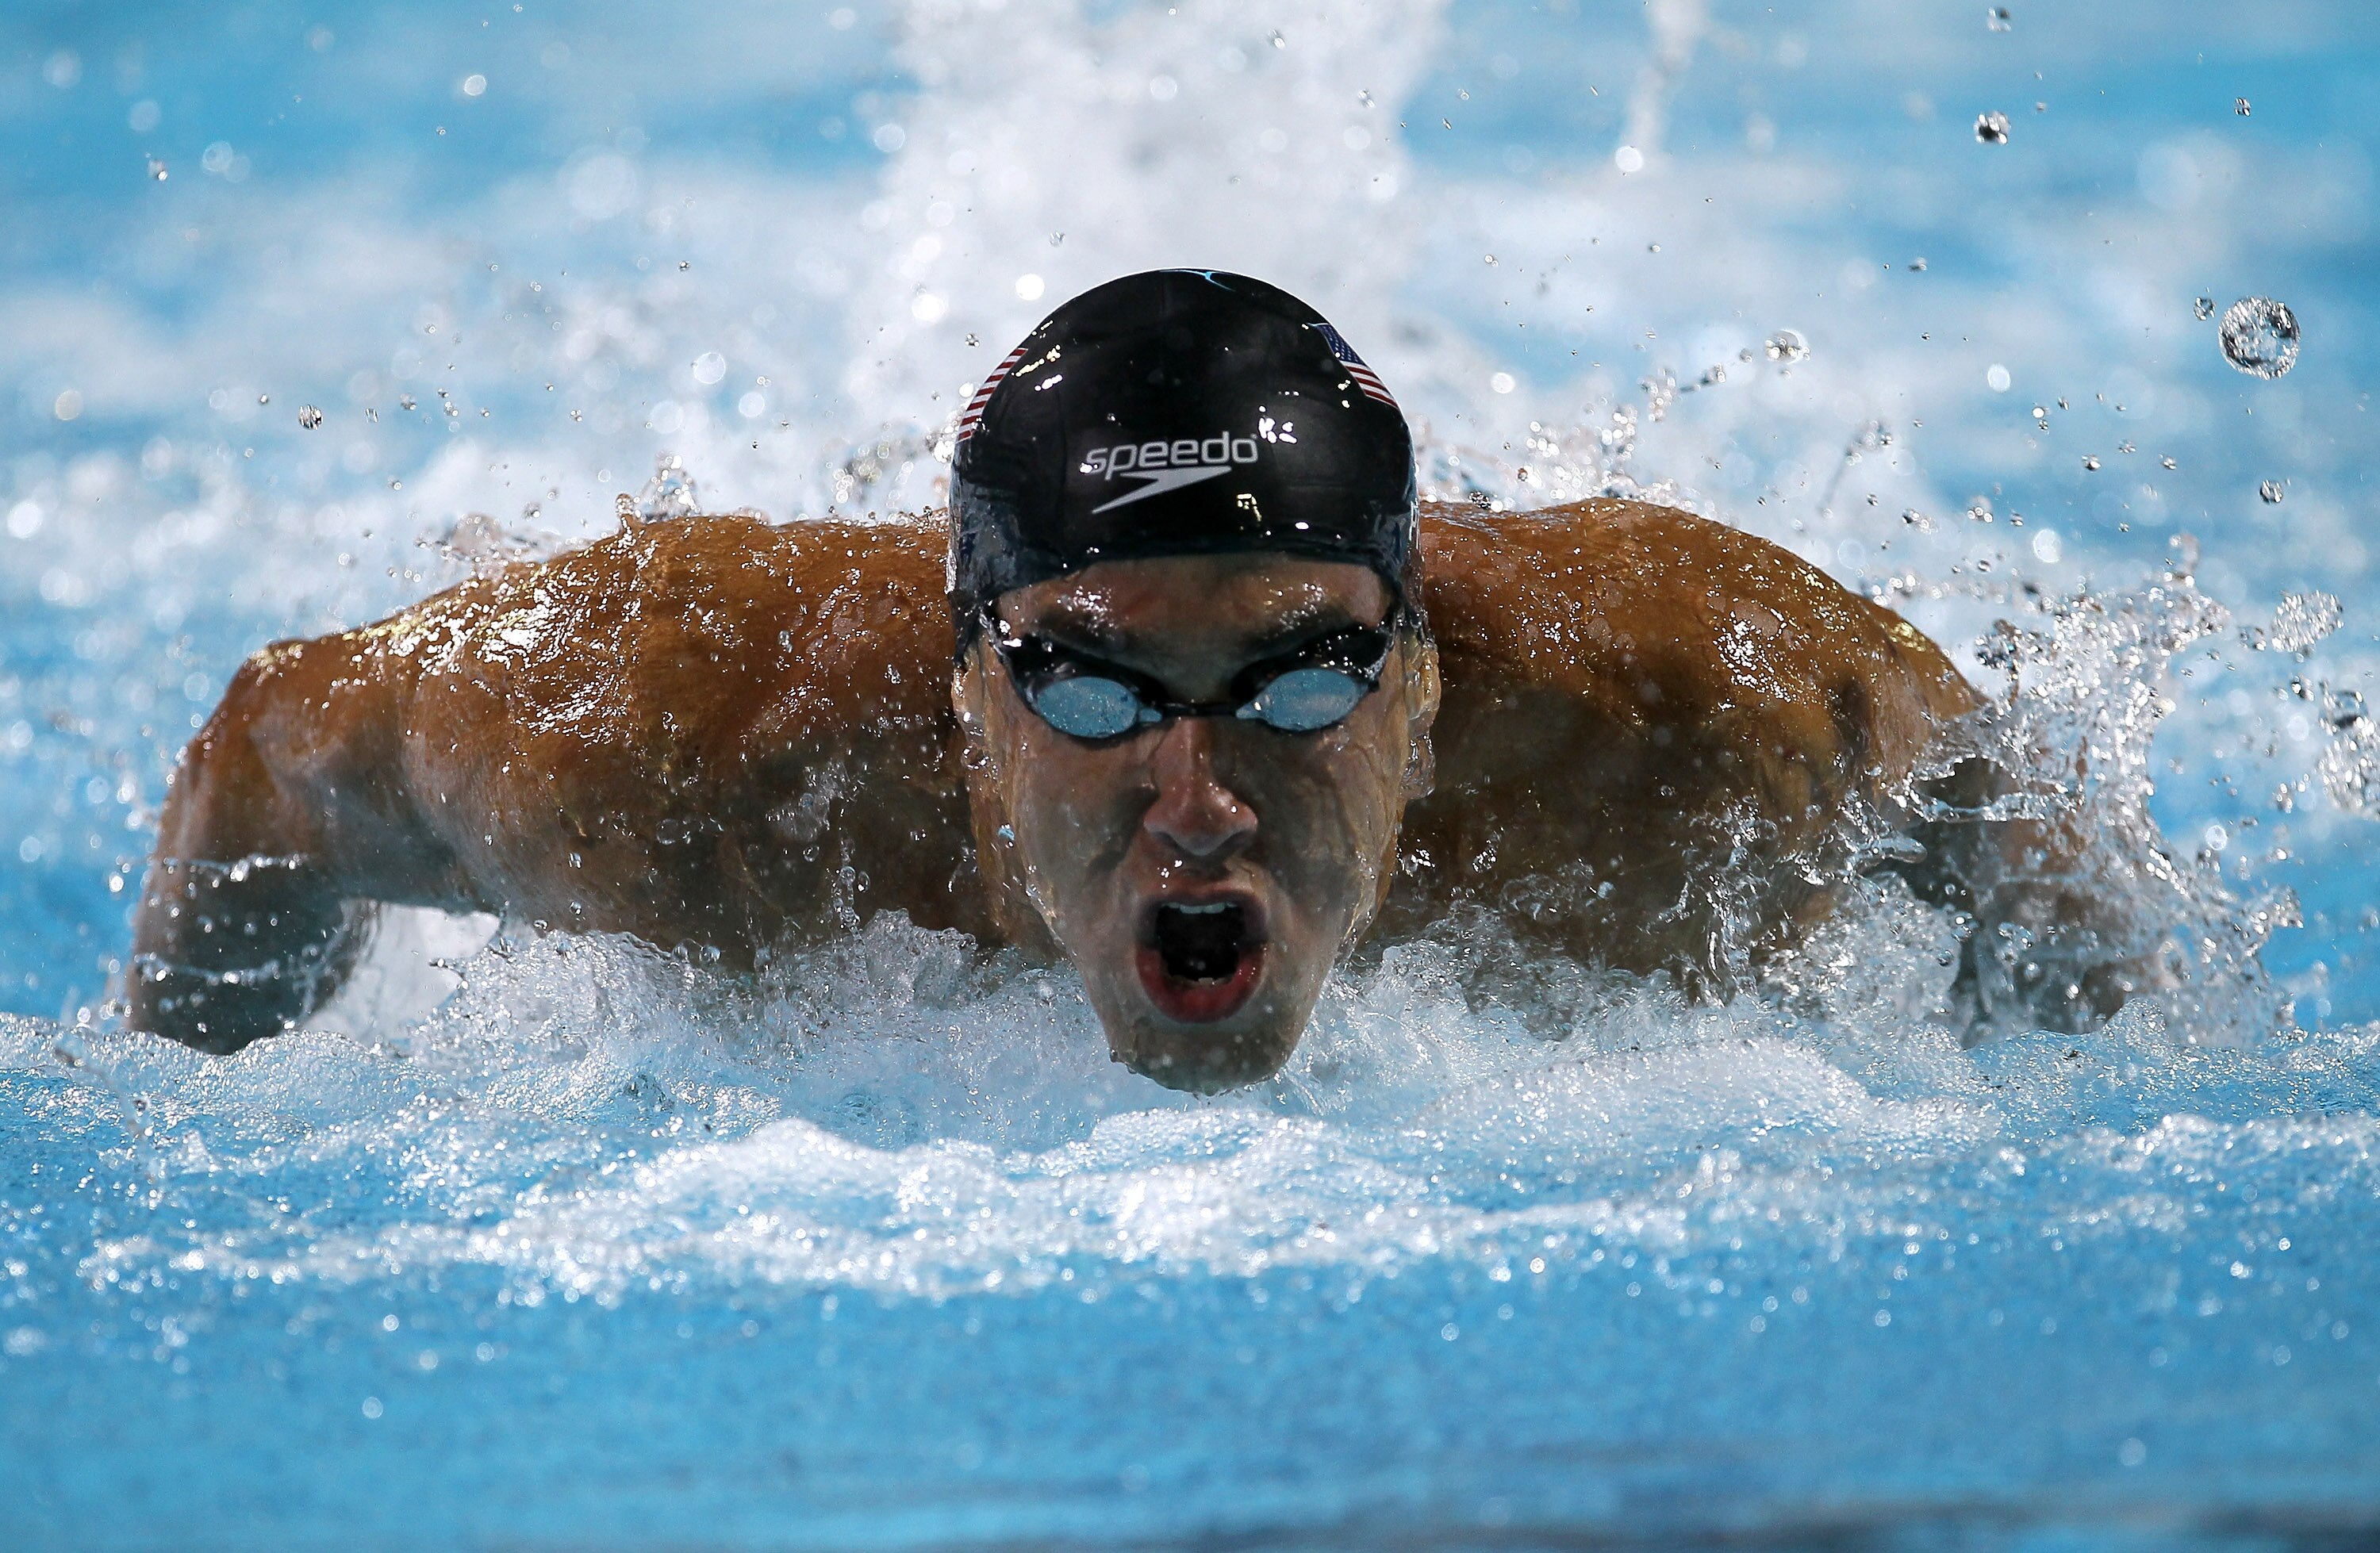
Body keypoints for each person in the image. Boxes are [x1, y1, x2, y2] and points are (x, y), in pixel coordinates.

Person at [125, 270, 2127, 1089]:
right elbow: (259, 761)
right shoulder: (669, 754)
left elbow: (1992, 788)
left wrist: (2078, 1053)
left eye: (1302, 682)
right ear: (967, 692)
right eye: (1090, 692)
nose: (1198, 794)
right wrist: (190, 1115)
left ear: (1424, 682)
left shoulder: (1698, 721)